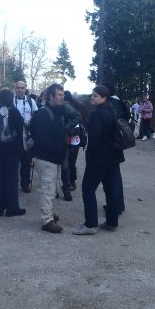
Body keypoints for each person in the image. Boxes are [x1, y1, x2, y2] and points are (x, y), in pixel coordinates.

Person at [73, 85, 124, 235]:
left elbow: (94, 138)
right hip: (113, 156)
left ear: (104, 98)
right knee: (110, 189)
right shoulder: (111, 111)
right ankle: (111, 222)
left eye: (95, 96)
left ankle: (90, 224)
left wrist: (89, 154)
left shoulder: (97, 114)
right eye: (92, 95)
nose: (91, 98)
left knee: (88, 189)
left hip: (99, 158)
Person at [32, 84, 67, 233]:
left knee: (52, 188)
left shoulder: (56, 112)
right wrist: (54, 151)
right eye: (59, 95)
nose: (62, 97)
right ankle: (47, 220)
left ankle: (49, 213)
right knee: (48, 189)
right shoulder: (43, 113)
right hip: (47, 158)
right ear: (50, 97)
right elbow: (41, 137)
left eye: (62, 95)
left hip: (53, 158)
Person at [0, 89, 26, 217]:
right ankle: (12, 207)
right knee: (11, 178)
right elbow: (21, 127)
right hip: (11, 149)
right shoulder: (13, 111)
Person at [13, 81, 38, 193]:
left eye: (22, 88)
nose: (20, 90)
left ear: (25, 89)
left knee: (26, 162)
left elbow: (36, 115)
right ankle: (12, 183)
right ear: (15, 88)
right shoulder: (11, 100)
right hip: (13, 136)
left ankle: (25, 184)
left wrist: (31, 126)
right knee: (13, 162)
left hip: (26, 135)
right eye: (18, 87)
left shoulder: (30, 101)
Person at [60, 91, 84, 201]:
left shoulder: (67, 107)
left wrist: (66, 127)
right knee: (69, 163)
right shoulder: (76, 105)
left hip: (72, 138)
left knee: (67, 164)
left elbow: (79, 119)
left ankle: (69, 184)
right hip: (71, 139)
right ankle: (69, 184)